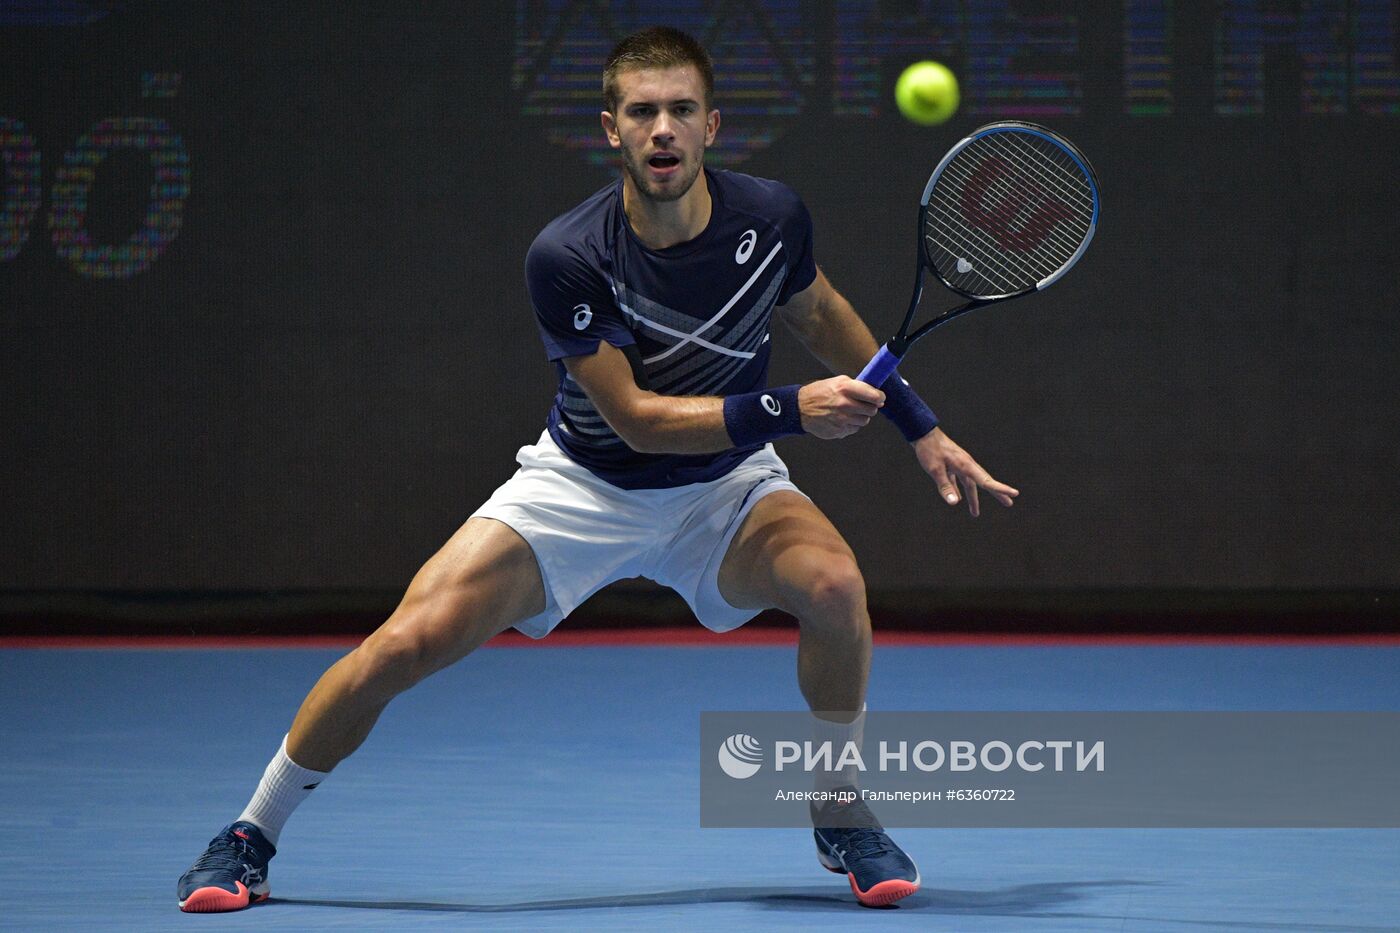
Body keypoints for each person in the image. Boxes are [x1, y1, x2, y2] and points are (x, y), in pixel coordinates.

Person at [177, 26, 1018, 913]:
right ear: (611, 128)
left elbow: (822, 312)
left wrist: (919, 426)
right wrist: (791, 409)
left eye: (681, 111)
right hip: (579, 488)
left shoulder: (771, 216)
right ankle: (248, 834)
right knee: (403, 643)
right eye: (643, 111)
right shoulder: (569, 254)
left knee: (837, 587)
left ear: (712, 125)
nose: (663, 129)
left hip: (725, 490)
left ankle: (839, 806)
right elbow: (636, 421)